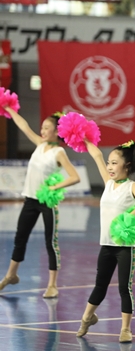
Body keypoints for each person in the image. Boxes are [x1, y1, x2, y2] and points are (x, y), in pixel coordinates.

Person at [76, 140, 135, 343]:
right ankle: (86, 318)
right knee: (100, 285)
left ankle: (125, 329)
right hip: (107, 245)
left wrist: (128, 217)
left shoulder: (132, 186)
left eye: (114, 163)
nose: (109, 167)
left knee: (124, 288)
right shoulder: (108, 184)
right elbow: (96, 155)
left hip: (125, 247)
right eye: (109, 163)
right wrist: (83, 138)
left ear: (127, 165)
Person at [0, 109, 80, 298]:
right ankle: (11, 275)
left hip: (47, 202)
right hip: (30, 199)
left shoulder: (59, 152)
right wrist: (9, 109)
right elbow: (23, 126)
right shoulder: (39, 143)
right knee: (20, 238)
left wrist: (54, 187)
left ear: (56, 132)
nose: (42, 131)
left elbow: (74, 177)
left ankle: (52, 285)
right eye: (42, 128)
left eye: (46, 128)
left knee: (50, 242)